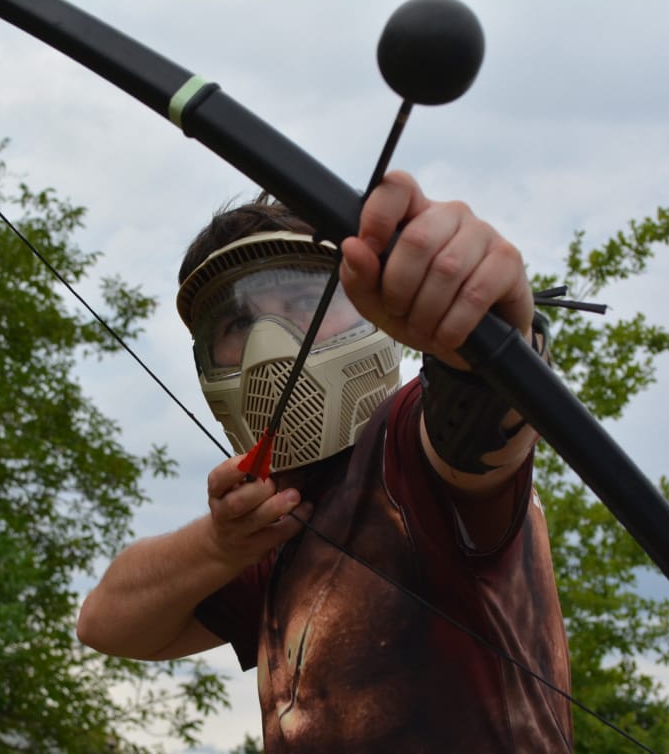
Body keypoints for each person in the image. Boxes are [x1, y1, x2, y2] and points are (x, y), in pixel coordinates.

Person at [77, 171, 573, 752]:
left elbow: (480, 416)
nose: (271, 340)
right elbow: (104, 624)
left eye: (302, 301)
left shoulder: (408, 447)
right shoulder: (281, 523)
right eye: (238, 322)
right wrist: (220, 544)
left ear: (370, 311)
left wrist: (487, 322)